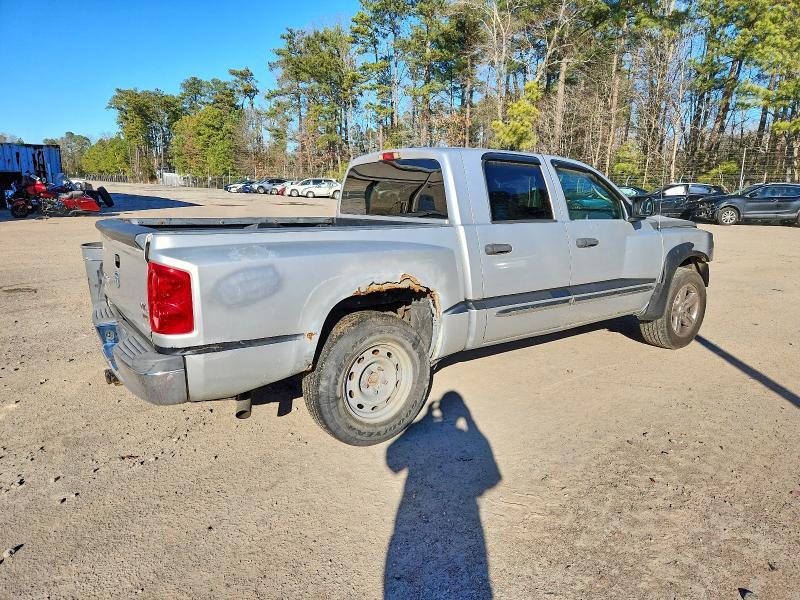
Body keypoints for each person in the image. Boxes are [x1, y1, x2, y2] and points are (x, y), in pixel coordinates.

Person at [384, 391, 501, 599]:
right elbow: (491, 478)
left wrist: (424, 420)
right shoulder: (470, 437)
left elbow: (393, 461)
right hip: (463, 516)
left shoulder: (447, 432)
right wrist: (470, 422)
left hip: (410, 517)